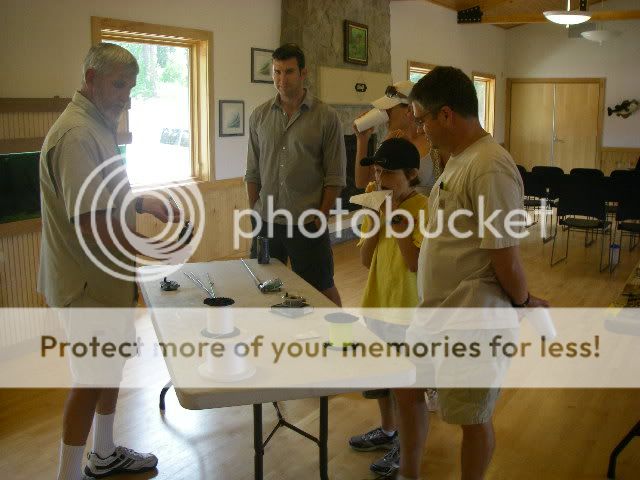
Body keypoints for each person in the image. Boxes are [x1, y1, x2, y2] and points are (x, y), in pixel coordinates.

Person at [391, 66, 549, 480]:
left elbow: (505, 257)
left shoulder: (490, 166)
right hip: (436, 312)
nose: (420, 130)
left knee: (470, 418)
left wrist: (524, 301)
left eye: (422, 119)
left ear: (446, 115)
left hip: (471, 317)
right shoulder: (458, 159)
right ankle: (409, 473)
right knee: (406, 389)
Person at [38, 43, 181, 480]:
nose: (126, 95)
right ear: (91, 79)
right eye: (118, 84)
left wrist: (141, 202)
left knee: (108, 368)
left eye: (131, 85)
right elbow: (91, 225)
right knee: (89, 379)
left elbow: (103, 198)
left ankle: (102, 453)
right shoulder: (78, 134)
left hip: (106, 282)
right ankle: (68, 474)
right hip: (86, 287)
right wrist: (154, 252)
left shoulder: (97, 125)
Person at [347, 137, 428, 476]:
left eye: (388, 174)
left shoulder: (422, 208)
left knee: (408, 389)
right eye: (377, 173)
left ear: (411, 174)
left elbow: (414, 262)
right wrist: (374, 217)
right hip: (377, 303)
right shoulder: (379, 204)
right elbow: (366, 261)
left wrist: (393, 215)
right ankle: (388, 430)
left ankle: (406, 449)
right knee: (381, 378)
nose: (380, 181)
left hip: (408, 310)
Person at [245, 43, 346, 306]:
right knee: (262, 285)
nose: (281, 79)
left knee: (322, 288)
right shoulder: (259, 116)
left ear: (303, 74)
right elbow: (252, 171)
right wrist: (254, 210)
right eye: (277, 72)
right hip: (266, 222)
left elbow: (335, 175)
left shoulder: (326, 117)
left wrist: (322, 216)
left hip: (306, 223)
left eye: (288, 72)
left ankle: (341, 338)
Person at [354, 80, 445, 196]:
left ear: (409, 109)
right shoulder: (392, 140)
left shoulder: (433, 140)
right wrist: (362, 139)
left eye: (389, 109)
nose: (384, 114)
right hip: (398, 212)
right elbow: (362, 182)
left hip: (426, 212)